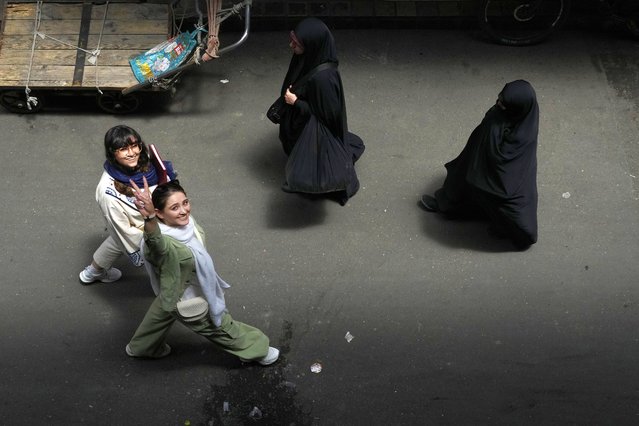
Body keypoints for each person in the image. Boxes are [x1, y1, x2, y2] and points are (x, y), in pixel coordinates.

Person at [124, 178, 279, 365]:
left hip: (173, 287)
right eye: (174, 208)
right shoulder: (161, 243)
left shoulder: (185, 226)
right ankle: (256, 349)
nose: (184, 211)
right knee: (218, 325)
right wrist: (148, 219)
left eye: (185, 202)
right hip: (185, 297)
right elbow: (155, 242)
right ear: (159, 214)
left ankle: (141, 347)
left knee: (164, 307)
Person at [420, 80, 539, 250]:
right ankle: (447, 205)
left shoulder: (522, 136)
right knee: (459, 179)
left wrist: (492, 136)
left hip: (502, 179)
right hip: (477, 157)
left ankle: (504, 228)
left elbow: (509, 175)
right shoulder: (503, 113)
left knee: (515, 217)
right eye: (499, 99)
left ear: (517, 109)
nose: (498, 104)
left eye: (504, 105)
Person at [277, 17, 365, 205]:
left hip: (315, 130)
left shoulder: (322, 79)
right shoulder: (311, 59)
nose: (291, 44)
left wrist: (295, 102)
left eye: (296, 42)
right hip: (305, 122)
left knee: (311, 165)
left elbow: (327, 117)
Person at [79, 125, 176, 284]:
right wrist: (154, 245)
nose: (132, 153)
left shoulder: (147, 164)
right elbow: (123, 229)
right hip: (141, 227)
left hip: (151, 217)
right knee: (167, 258)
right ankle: (173, 294)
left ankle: (93, 272)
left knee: (116, 242)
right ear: (112, 153)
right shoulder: (107, 191)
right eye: (123, 149)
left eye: (134, 146)